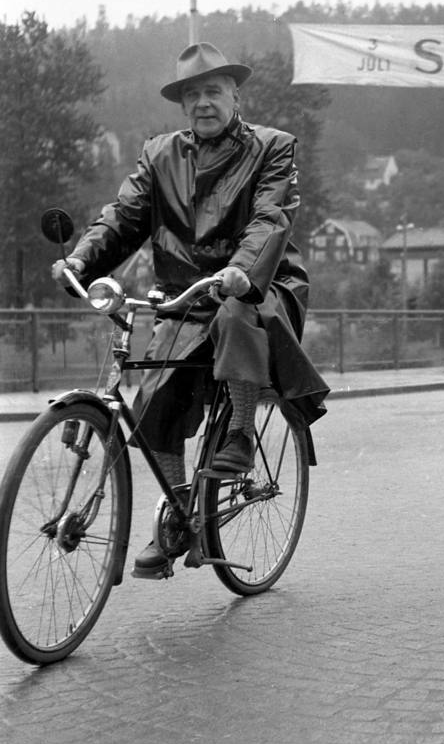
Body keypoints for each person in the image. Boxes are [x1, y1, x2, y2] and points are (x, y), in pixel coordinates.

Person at [52, 42, 329, 577]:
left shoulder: (273, 148)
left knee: (234, 311)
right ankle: (182, 516)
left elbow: (270, 218)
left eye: (213, 90)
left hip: (261, 287)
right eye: (192, 94)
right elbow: (123, 217)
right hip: (184, 299)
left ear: (234, 95)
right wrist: (80, 262)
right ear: (182, 105)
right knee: (157, 401)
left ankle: (242, 432)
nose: (203, 102)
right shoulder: (159, 155)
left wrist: (243, 271)